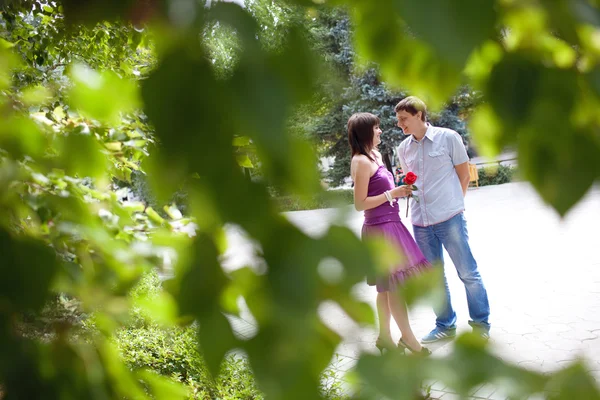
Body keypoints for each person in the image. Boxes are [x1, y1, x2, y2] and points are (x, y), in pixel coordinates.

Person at [395, 96, 491, 343]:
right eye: (398, 120)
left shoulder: (448, 137)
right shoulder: (403, 148)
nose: (400, 124)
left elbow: (464, 175)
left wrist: (455, 206)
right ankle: (444, 325)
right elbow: (411, 181)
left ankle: (480, 325)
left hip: (450, 218)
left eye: (404, 119)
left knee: (468, 272)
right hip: (420, 223)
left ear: (418, 115)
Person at [348, 112, 431, 356]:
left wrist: (399, 191)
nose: (381, 131)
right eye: (376, 128)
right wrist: (391, 194)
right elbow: (359, 203)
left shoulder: (374, 156)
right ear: (365, 132)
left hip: (390, 225)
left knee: (386, 288)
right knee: (395, 287)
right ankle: (410, 340)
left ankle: (385, 337)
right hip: (379, 230)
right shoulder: (361, 161)